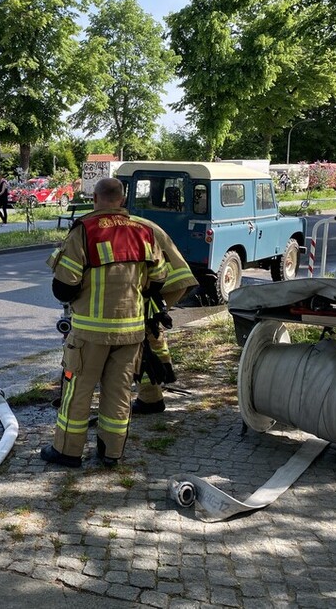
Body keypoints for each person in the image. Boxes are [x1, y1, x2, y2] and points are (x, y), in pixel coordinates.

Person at [41, 177, 168, 468]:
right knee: (120, 392)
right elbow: (159, 279)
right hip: (131, 333)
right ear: (122, 201)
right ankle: (111, 453)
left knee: (78, 390)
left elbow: (64, 286)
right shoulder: (144, 231)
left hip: (89, 334)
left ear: (95, 199)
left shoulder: (84, 231)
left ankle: (68, 451)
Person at [132, 222, 198, 414]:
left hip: (164, 283)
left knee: (141, 338)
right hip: (176, 280)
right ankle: (164, 374)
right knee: (152, 330)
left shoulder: (110, 228)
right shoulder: (136, 222)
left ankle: (150, 399)